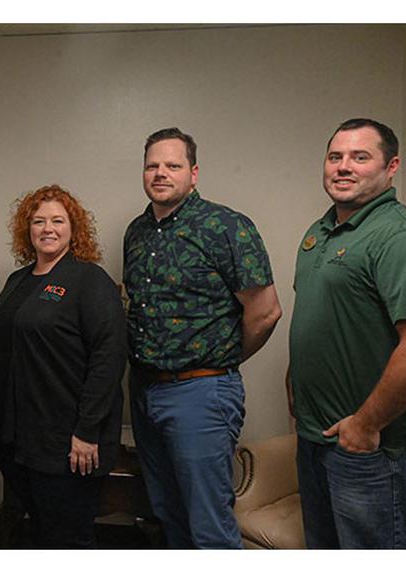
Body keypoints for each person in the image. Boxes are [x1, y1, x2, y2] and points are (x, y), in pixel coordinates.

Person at [288, 118, 406, 549]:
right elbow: (326, 318)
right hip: (318, 439)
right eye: (335, 156)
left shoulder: (403, 237)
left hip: (378, 451)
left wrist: (365, 424)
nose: (344, 167)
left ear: (391, 166)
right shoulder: (319, 232)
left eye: (360, 157)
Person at [124, 128, 281, 549]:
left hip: (201, 392)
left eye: (172, 165)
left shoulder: (226, 226)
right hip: (144, 391)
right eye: (152, 165)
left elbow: (265, 312)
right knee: (168, 512)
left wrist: (218, 361)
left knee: (209, 523)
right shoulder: (136, 233)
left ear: (193, 173)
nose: (160, 173)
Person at [0, 185, 126, 548]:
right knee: (42, 533)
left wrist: (87, 430)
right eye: (38, 220)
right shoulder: (17, 280)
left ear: (73, 228)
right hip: (18, 438)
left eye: (58, 220)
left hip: (67, 441)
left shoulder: (89, 281)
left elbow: (108, 358)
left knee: (69, 538)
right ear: (26, 229)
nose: (48, 228)